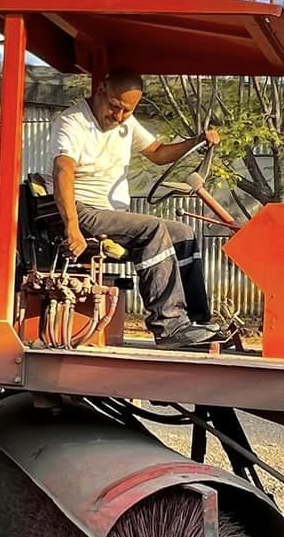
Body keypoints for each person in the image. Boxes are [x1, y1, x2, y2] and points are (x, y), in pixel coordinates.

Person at [50, 69, 222, 348]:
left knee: (183, 233)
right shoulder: (73, 122)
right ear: (101, 89)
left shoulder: (126, 125)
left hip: (111, 215)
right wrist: (71, 227)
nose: (118, 116)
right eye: (115, 107)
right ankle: (169, 326)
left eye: (126, 111)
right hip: (83, 210)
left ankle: (197, 322)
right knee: (150, 228)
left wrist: (197, 140)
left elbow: (157, 153)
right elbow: (62, 170)